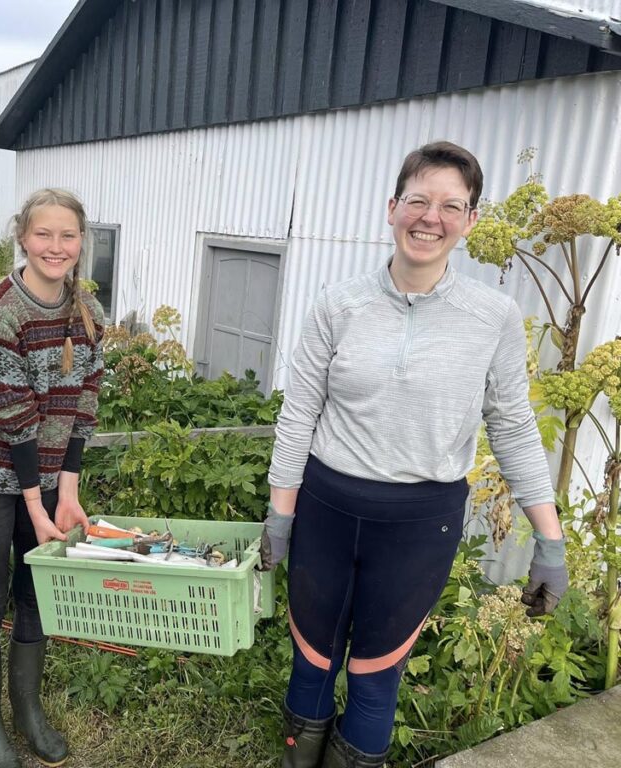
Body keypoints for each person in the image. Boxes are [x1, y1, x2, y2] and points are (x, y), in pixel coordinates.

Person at [260, 142, 568, 768]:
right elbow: (299, 416)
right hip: (326, 507)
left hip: (420, 524)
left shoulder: (492, 317)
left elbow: (513, 427)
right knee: (312, 659)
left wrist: (550, 541)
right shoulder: (338, 304)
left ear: (471, 220)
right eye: (419, 200)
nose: (431, 218)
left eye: (451, 206)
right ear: (392, 207)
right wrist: (280, 514)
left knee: (376, 674)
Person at [0, 188, 104, 768]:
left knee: (37, 597)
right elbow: (14, 417)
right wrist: (36, 504)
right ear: (22, 237)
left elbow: (85, 399)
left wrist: (69, 490)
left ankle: (28, 711)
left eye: (68, 235)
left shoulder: (88, 311)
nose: (55, 247)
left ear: (81, 241)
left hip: (49, 475)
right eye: (43, 234)